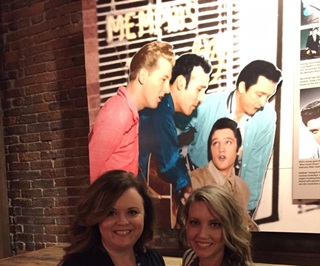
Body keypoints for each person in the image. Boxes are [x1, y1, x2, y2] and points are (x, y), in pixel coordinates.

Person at [43, 170, 179, 266]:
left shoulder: (154, 260)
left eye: (132, 212)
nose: (123, 221)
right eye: (111, 213)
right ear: (95, 217)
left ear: (145, 216)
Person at [176, 60, 282, 215]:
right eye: (260, 95)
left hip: (234, 194)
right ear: (242, 87)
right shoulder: (205, 105)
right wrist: (180, 180)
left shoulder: (267, 118)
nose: (263, 103)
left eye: (268, 96)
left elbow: (256, 167)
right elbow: (169, 134)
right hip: (198, 186)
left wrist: (246, 212)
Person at [173, 185, 274, 266]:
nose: (202, 234)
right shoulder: (190, 260)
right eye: (194, 223)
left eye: (215, 224)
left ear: (230, 228)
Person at [89, 41, 175, 183]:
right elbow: (89, 174)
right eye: (163, 79)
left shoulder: (129, 113)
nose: (167, 89)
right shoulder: (118, 112)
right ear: (142, 76)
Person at [139, 53, 212, 202]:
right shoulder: (161, 110)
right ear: (180, 83)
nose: (202, 98)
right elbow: (170, 161)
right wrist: (188, 187)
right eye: (199, 89)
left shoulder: (164, 108)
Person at [189, 117, 258, 231]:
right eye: (215, 143)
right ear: (210, 149)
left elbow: (246, 223)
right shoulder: (194, 182)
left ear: (238, 149)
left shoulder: (242, 187)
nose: (221, 149)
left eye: (228, 142)